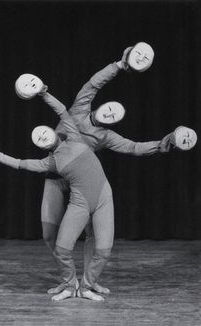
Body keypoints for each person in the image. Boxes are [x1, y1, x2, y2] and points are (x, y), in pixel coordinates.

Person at [21, 45, 174, 295]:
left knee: (93, 234)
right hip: (55, 175)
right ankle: (68, 280)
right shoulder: (78, 108)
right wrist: (119, 66)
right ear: (102, 106)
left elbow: (134, 147)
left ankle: (88, 282)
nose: (110, 113)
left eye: (115, 115)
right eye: (110, 108)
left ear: (114, 119)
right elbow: (94, 84)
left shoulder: (105, 136)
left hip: (83, 183)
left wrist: (162, 144)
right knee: (49, 233)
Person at [0, 91, 116, 301]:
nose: (44, 137)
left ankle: (86, 287)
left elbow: (61, 109)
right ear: (43, 146)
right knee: (61, 250)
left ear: (54, 131)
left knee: (104, 251)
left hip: (104, 198)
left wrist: (43, 93)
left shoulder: (74, 135)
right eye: (40, 140)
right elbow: (21, 163)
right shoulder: (50, 163)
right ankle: (70, 285)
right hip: (80, 204)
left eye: (45, 133)